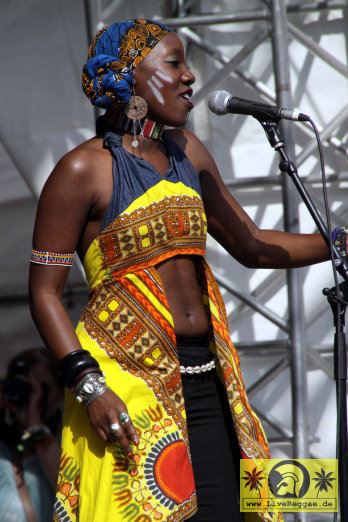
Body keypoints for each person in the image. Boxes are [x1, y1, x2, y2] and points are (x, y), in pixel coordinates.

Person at [28, 19, 336, 522]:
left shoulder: (188, 154)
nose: (190, 77)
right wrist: (89, 387)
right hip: (127, 389)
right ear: (129, 76)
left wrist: (338, 242)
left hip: (212, 380)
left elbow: (251, 243)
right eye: (174, 63)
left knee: (238, 510)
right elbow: (43, 293)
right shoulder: (80, 172)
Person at [0, 348, 63, 521]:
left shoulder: (68, 446)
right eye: (26, 386)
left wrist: (35, 426)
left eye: (42, 387)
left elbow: (70, 492)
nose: (33, 395)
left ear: (60, 395)